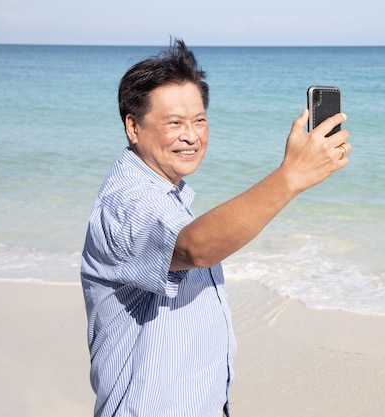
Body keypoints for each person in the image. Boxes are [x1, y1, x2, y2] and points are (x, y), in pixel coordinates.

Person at [80, 38, 351, 417]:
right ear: (133, 127)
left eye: (199, 120)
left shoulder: (166, 194)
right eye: (174, 123)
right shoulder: (126, 202)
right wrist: (290, 177)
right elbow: (195, 249)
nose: (191, 135)